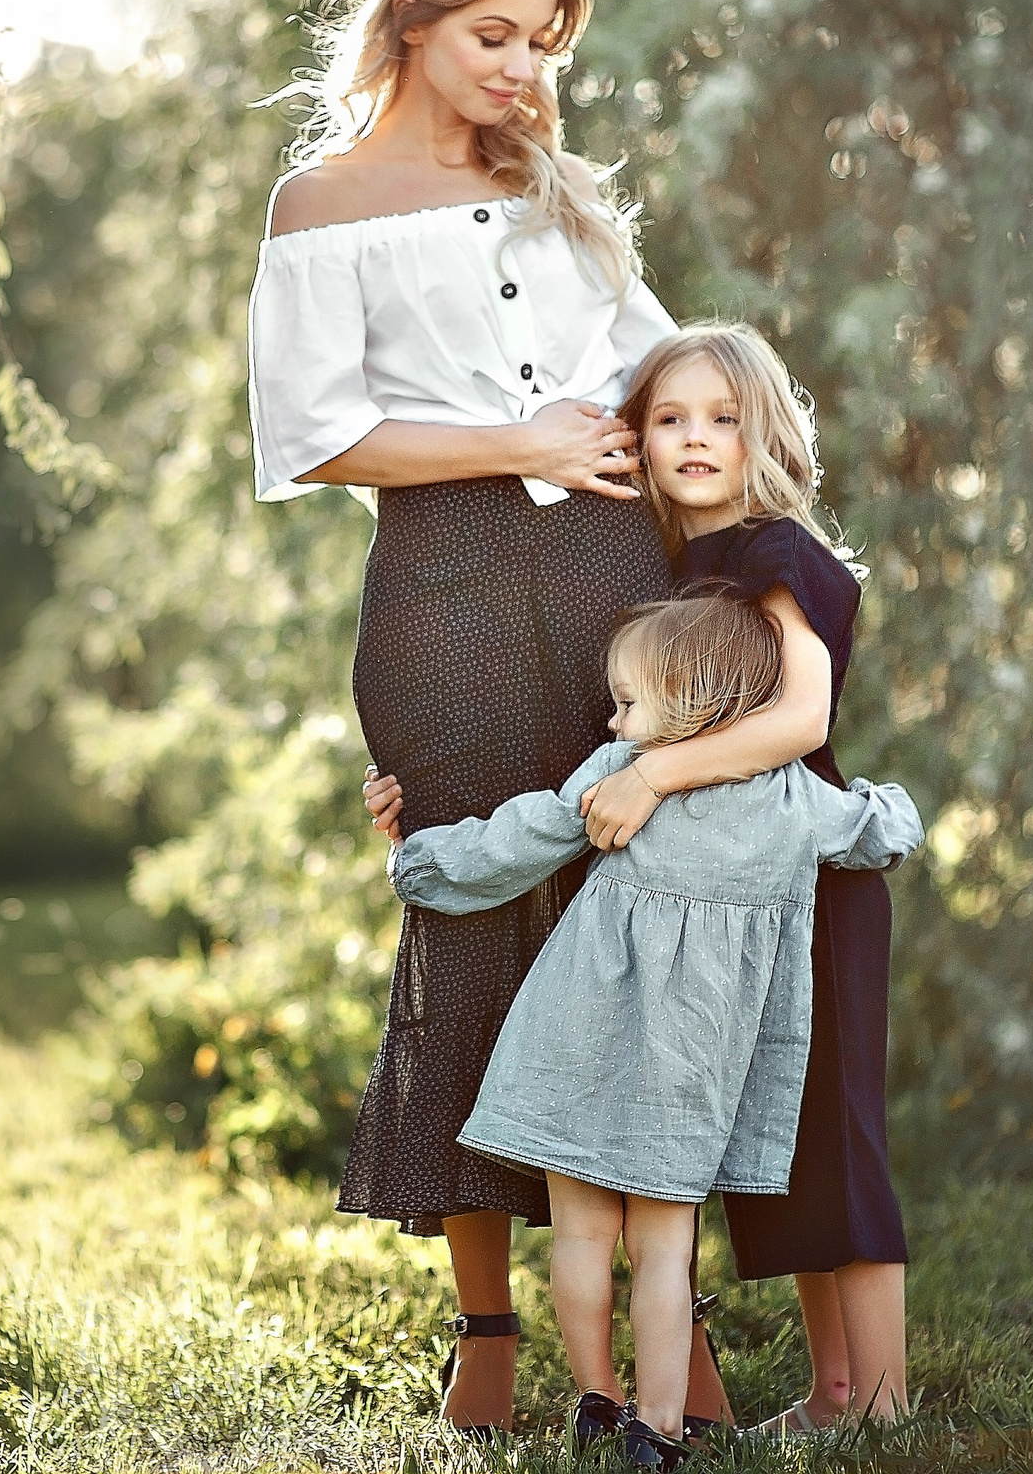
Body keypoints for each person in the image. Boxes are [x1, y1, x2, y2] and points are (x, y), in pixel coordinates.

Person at [244, 0, 715, 1436]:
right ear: (412, 21)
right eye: (498, 36)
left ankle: (674, 1330)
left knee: (630, 917)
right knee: (472, 927)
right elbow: (316, 440)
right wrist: (511, 438)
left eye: (547, 45)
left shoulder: (555, 185)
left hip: (607, 568)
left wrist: (740, 485)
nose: (526, 71)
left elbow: (656, 363)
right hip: (438, 585)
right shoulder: (319, 207)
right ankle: (488, 1333)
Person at [366, 322, 915, 1430]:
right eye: (670, 419)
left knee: (835, 1128)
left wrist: (653, 775)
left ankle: (888, 1400)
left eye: (722, 418)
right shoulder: (671, 564)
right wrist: (414, 789)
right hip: (710, 886)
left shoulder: (777, 554)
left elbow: (801, 718)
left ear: (769, 433)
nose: (696, 439)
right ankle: (832, 1391)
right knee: (789, 1133)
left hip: (794, 861)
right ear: (635, 438)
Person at [386, 593, 923, 1469]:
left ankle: (594, 1398)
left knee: (581, 1237)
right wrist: (892, 803)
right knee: (666, 1250)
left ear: (694, 704)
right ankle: (660, 1427)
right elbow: (880, 834)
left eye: (629, 701)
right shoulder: (794, 797)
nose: (613, 716)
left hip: (577, 1037)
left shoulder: (618, 771)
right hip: (693, 1067)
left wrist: (420, 862)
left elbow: (522, 840)